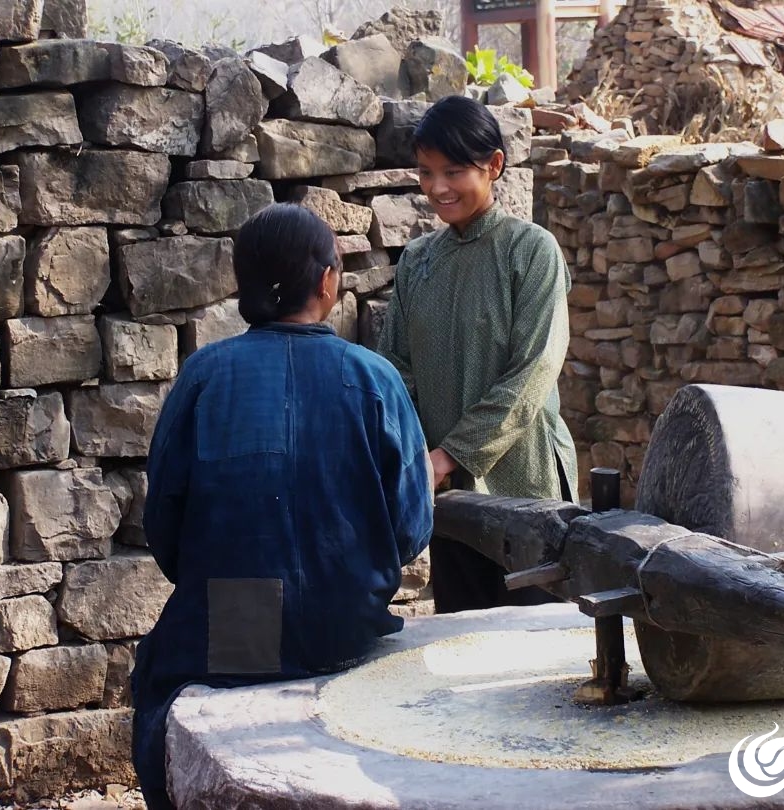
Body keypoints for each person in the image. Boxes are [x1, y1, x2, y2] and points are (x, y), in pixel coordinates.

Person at [131, 204, 434, 809]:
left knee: (158, 684)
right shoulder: (374, 376)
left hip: (240, 617)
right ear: (328, 282)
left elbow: (164, 526)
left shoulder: (205, 376)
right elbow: (411, 528)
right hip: (348, 619)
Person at [378, 94, 578, 614]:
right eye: (426, 172)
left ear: (494, 166)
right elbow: (395, 369)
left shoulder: (531, 251)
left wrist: (449, 455)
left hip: (528, 486)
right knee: (462, 639)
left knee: (536, 647)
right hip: (449, 492)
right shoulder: (418, 261)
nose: (437, 188)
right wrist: (412, 456)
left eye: (454, 171)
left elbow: (534, 370)